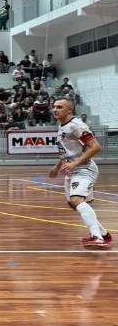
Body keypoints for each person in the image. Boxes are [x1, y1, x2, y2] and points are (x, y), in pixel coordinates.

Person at [49, 99, 112, 249]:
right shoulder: (62, 125)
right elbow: (67, 151)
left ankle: (97, 238)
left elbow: (96, 147)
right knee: (74, 204)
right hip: (71, 170)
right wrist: (57, 166)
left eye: (59, 107)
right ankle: (103, 234)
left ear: (69, 110)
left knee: (77, 200)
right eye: (54, 107)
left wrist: (75, 163)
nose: (55, 110)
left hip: (84, 169)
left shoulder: (77, 126)